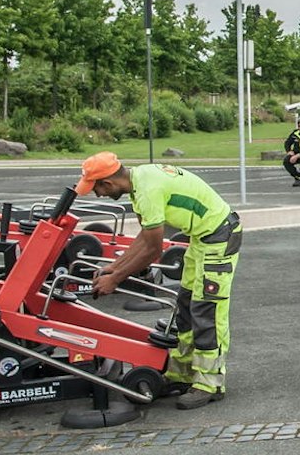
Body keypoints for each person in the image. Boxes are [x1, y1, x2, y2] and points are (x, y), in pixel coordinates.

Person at [76, 152, 241, 409]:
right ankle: (182, 375)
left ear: (107, 183)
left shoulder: (147, 189)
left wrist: (116, 280)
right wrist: (113, 267)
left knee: (206, 311)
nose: (98, 195)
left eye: (96, 189)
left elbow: (154, 251)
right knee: (186, 305)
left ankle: (210, 384)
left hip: (218, 237)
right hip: (202, 238)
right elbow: (145, 237)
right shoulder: (139, 182)